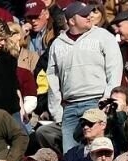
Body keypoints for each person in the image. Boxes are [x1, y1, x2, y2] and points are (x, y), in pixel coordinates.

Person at [47, 2, 123, 152]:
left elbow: (115, 68)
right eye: (83, 15)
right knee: (70, 155)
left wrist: (107, 99)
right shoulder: (57, 44)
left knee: (96, 151)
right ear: (71, 21)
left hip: (96, 102)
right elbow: (52, 78)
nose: (89, 16)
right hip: (69, 107)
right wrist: (56, 111)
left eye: (89, 13)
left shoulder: (103, 36)